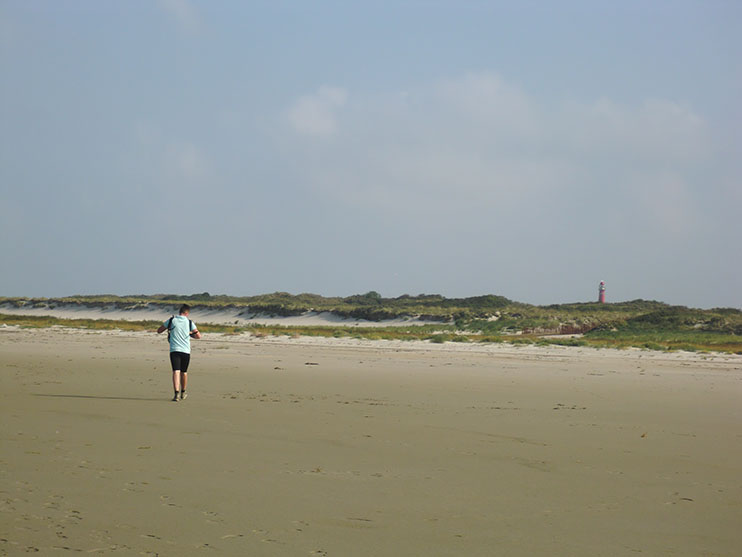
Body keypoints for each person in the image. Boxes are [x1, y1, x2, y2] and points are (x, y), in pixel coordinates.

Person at [157, 304, 201, 402]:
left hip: (174, 350)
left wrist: (170, 331)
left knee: (175, 371)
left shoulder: (172, 320)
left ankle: (176, 393)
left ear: (179, 312)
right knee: (184, 372)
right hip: (186, 351)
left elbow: (159, 330)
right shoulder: (190, 322)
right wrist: (189, 335)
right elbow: (198, 336)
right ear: (187, 313)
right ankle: (183, 392)